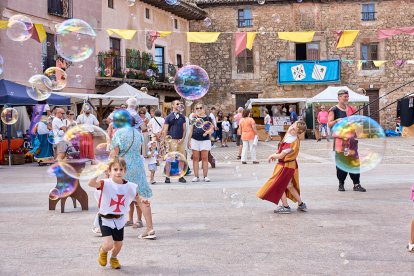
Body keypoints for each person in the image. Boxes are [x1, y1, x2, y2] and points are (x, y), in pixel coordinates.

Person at [88, 157, 149, 269]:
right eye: (115, 169)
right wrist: (98, 171)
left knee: (119, 244)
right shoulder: (104, 183)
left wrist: (142, 200)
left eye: (121, 169)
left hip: (119, 219)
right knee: (109, 244)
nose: (118, 172)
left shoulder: (129, 186)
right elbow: (91, 183)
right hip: (105, 218)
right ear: (109, 171)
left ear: (125, 171)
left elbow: (137, 197)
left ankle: (114, 258)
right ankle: (103, 250)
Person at [111, 114, 155, 239]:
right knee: (140, 197)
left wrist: (111, 170)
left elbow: (115, 154)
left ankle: (109, 226)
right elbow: (139, 150)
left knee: (116, 196)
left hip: (123, 167)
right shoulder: (138, 133)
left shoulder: (118, 134)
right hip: (138, 166)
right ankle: (150, 228)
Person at [256, 121, 308, 214]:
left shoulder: (291, 142)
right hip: (289, 165)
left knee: (279, 185)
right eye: (292, 126)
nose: (291, 128)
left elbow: (281, 156)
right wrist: (294, 126)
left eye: (294, 128)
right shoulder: (291, 135)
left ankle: (285, 206)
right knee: (289, 185)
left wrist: (272, 155)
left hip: (286, 166)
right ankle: (301, 204)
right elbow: (289, 130)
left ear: (298, 132)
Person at [328, 89, 366, 192]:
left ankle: (356, 184)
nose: (346, 98)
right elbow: (329, 124)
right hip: (340, 142)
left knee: (354, 163)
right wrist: (336, 120)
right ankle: (341, 184)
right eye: (345, 97)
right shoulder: (334, 110)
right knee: (342, 164)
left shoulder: (351, 109)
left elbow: (357, 121)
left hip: (352, 141)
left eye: (347, 97)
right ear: (339, 97)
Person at [162, 100, 187, 183]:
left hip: (180, 140)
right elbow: (165, 130)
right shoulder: (169, 117)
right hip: (171, 140)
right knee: (170, 158)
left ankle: (181, 176)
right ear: (173, 106)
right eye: (177, 104)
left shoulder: (182, 117)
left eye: (180, 103)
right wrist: (166, 141)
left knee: (181, 159)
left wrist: (183, 138)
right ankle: (167, 176)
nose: (179, 105)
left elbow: (184, 129)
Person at [187, 103, 214, 182]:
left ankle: (205, 176)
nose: (199, 109)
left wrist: (207, 132)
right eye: (197, 108)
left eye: (200, 108)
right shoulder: (194, 118)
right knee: (195, 158)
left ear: (204, 109)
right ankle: (196, 176)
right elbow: (191, 130)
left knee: (204, 158)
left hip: (205, 140)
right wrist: (189, 141)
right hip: (195, 139)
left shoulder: (208, 118)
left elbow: (211, 129)